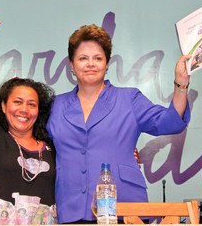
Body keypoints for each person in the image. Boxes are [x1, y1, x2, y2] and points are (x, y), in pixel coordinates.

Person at [47, 24, 192, 223]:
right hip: (71, 208)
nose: (91, 64)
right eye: (83, 58)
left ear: (107, 64)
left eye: (98, 58)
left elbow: (170, 123)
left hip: (125, 208)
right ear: (71, 65)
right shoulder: (55, 106)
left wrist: (181, 83)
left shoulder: (129, 99)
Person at [0, 18, 56, 209]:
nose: (24, 110)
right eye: (17, 102)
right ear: (3, 106)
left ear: (39, 111)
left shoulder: (51, 146)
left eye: (32, 104)